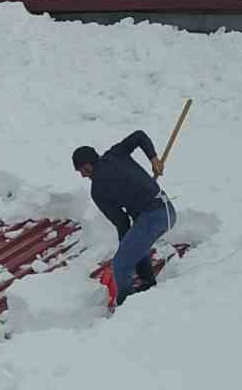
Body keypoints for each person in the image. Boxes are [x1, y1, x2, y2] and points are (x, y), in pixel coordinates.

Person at [72, 130, 178, 307]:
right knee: (136, 246)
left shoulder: (97, 190)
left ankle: (125, 307)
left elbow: (122, 222)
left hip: (153, 217)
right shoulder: (116, 153)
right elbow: (139, 136)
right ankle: (148, 283)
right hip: (168, 211)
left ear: (90, 163)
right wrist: (153, 158)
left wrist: (125, 247)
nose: (83, 175)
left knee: (121, 264)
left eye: (83, 169)